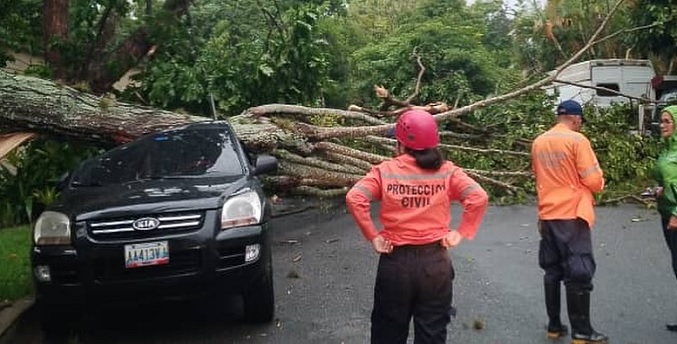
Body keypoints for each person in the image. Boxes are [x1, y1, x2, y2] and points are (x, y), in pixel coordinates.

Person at [345, 109, 489, 344]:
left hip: (395, 264)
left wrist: (373, 236)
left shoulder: (385, 171)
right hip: (435, 265)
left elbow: (355, 197)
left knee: (388, 333)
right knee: (432, 333)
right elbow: (478, 197)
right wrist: (461, 232)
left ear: (400, 143)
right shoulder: (447, 171)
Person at [531, 99, 608, 343]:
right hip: (572, 215)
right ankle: (582, 331)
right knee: (579, 271)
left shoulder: (539, 142)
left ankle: (554, 326)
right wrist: (599, 183)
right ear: (575, 118)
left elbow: (539, 178)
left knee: (552, 270)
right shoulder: (577, 140)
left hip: (548, 215)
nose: (580, 125)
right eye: (580, 121)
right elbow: (594, 180)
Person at [652, 105, 677, 332]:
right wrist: (660, 190)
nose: (662, 125)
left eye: (667, 121)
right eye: (662, 121)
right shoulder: (667, 150)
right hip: (666, 212)